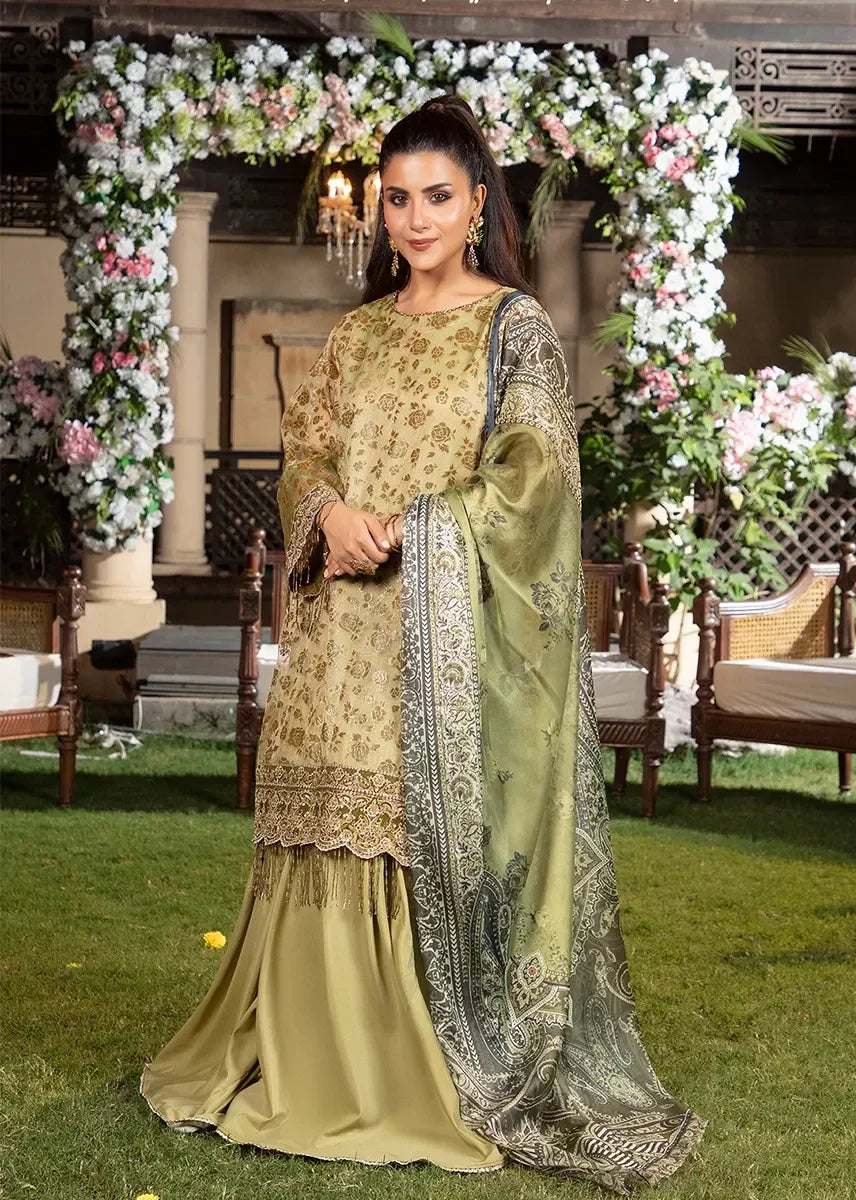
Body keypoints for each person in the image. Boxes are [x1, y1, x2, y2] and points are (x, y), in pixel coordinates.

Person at [141, 93, 707, 1190]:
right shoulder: (357, 334)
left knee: (408, 820)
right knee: (324, 810)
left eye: (436, 197)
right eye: (396, 200)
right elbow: (307, 455)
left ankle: (415, 1063)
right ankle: (301, 1049)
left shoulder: (513, 327)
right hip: (338, 630)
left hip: (438, 635)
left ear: (478, 203)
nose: (414, 219)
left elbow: (536, 478)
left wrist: (416, 528)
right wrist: (326, 514)